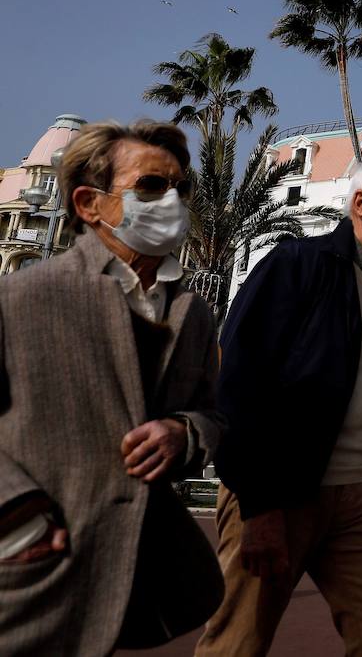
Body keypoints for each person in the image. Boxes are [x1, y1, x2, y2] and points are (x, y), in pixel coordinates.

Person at [0, 121, 225, 654]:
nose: (170, 201)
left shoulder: (193, 314)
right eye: (150, 186)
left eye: (180, 188)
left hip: (133, 572)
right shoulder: (23, 297)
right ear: (89, 203)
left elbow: (216, 413)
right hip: (33, 564)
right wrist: (18, 515)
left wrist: (185, 432)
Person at [196, 154, 362, 656]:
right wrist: (258, 505)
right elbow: (239, 381)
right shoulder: (297, 264)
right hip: (280, 489)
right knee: (237, 642)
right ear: (361, 204)